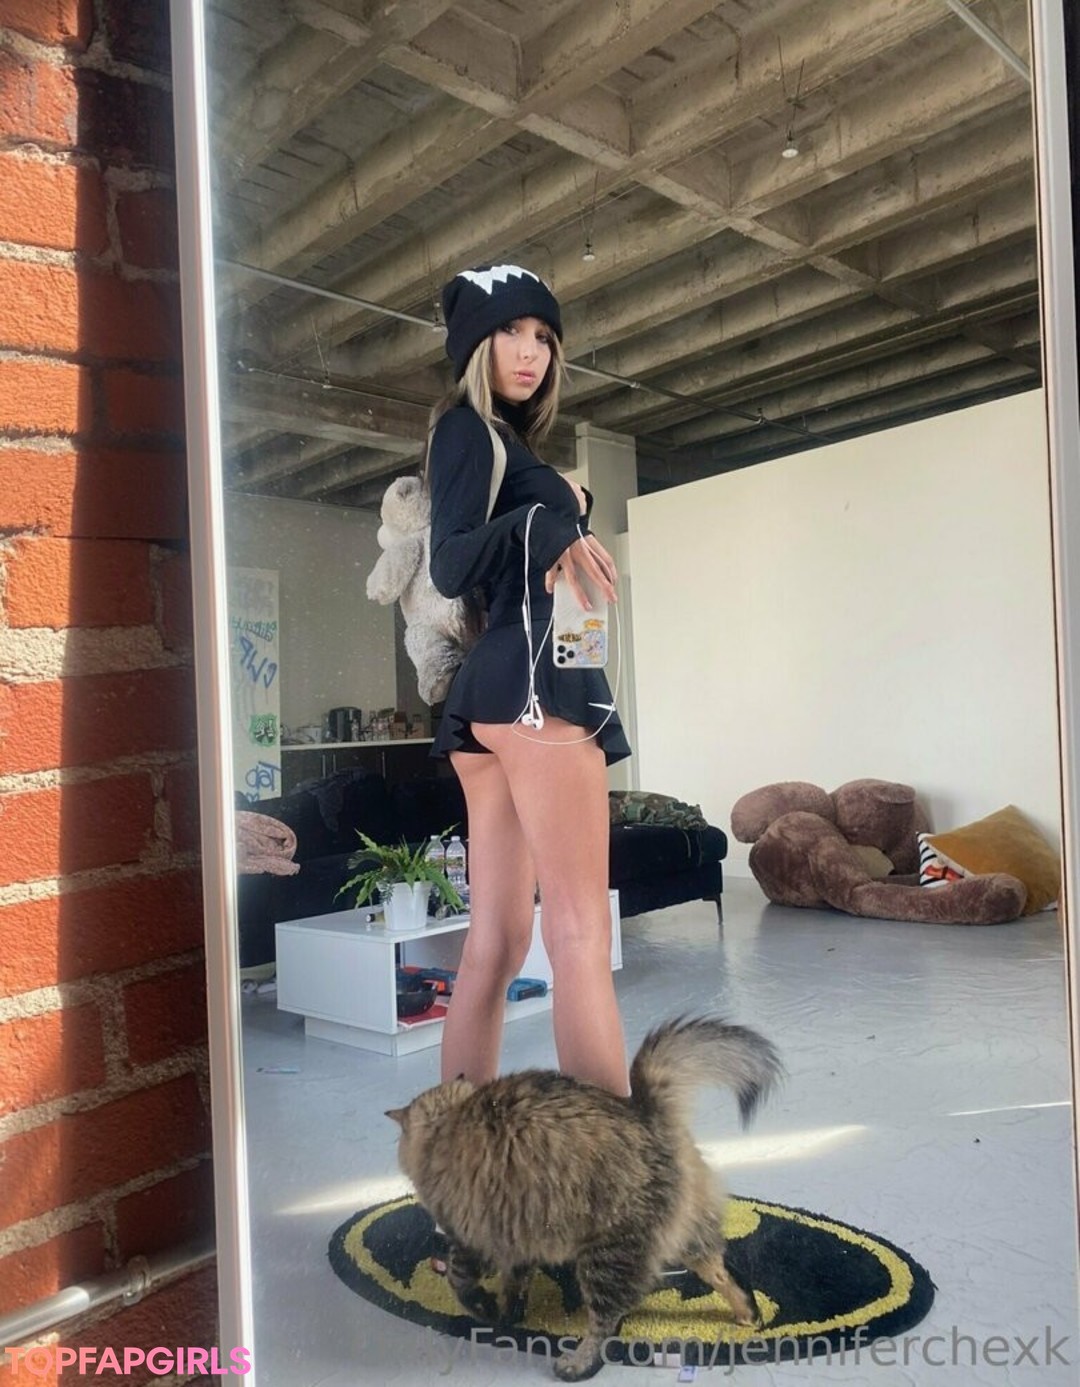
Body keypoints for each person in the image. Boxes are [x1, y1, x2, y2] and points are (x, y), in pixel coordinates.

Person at [426, 263, 631, 1098]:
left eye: (543, 336)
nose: (530, 350)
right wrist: (546, 516)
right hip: (533, 684)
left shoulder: (503, 445)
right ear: (477, 343)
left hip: (501, 692)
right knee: (579, 933)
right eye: (511, 330)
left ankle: (453, 1146)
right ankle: (619, 1169)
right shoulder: (465, 430)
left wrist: (549, 507)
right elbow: (447, 564)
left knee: (499, 939)